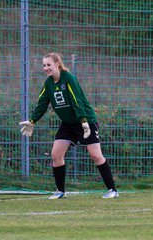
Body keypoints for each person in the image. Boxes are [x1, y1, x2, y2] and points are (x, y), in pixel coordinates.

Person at [19, 52, 118, 199]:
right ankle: (60, 191)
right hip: (68, 124)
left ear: (57, 64)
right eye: (44, 65)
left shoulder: (68, 78)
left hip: (85, 120)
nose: (46, 68)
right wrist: (33, 120)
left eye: (49, 65)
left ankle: (113, 190)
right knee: (56, 154)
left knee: (95, 155)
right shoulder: (48, 83)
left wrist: (84, 121)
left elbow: (76, 100)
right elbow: (42, 103)